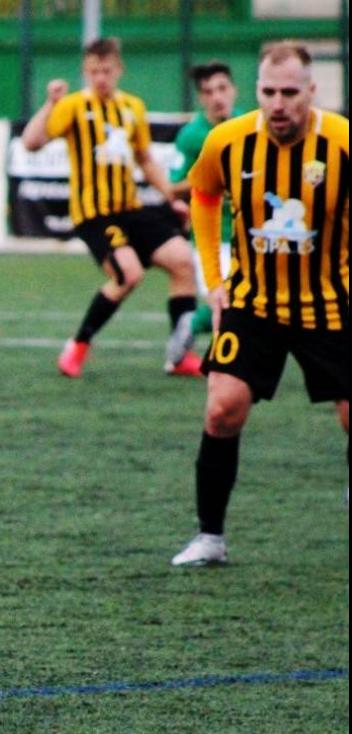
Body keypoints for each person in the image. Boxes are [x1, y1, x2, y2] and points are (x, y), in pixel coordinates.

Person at [170, 41, 348, 566]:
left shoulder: (341, 142)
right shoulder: (227, 141)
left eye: (289, 92)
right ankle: (210, 537)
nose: (278, 104)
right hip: (254, 303)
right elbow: (203, 196)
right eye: (268, 92)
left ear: (311, 91)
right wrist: (214, 278)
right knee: (222, 408)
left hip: (331, 301)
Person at [20, 37, 202, 378]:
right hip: (94, 214)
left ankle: (180, 355)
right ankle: (78, 345)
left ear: (119, 70)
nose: (100, 78)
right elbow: (31, 143)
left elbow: (145, 159)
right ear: (85, 72)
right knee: (128, 273)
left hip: (130, 208)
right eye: (93, 72)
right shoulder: (73, 105)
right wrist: (49, 104)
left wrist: (172, 199)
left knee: (183, 261)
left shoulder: (132, 107)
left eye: (106, 70)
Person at [168, 61, 244, 350]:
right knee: (229, 302)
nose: (217, 97)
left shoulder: (248, 125)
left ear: (234, 90)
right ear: (201, 98)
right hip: (212, 236)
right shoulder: (191, 136)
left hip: (249, 234)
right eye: (209, 91)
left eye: (222, 88)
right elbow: (173, 186)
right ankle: (213, 347)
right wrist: (211, 173)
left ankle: (193, 322)